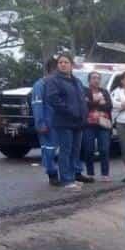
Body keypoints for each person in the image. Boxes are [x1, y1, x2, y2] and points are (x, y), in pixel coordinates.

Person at [45, 52, 88, 190]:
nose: (63, 64)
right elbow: (53, 99)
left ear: (71, 65)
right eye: (60, 62)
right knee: (65, 151)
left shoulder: (77, 81)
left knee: (75, 151)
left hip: (78, 122)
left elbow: (82, 99)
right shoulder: (54, 80)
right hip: (64, 121)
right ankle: (66, 180)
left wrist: (83, 114)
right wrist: (71, 111)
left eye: (66, 62)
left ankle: (72, 177)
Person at [32, 56, 59, 185]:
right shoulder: (40, 84)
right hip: (47, 124)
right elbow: (37, 105)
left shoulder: (59, 84)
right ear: (53, 69)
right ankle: (52, 174)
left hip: (60, 123)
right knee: (48, 149)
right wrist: (40, 123)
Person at [83, 72, 113, 182]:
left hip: (103, 124)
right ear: (89, 80)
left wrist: (94, 103)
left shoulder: (104, 91)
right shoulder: (84, 91)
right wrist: (97, 102)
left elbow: (109, 106)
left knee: (104, 149)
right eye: (93, 78)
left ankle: (105, 174)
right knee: (88, 149)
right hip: (89, 124)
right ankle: (90, 173)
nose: (96, 80)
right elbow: (84, 106)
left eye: (98, 78)